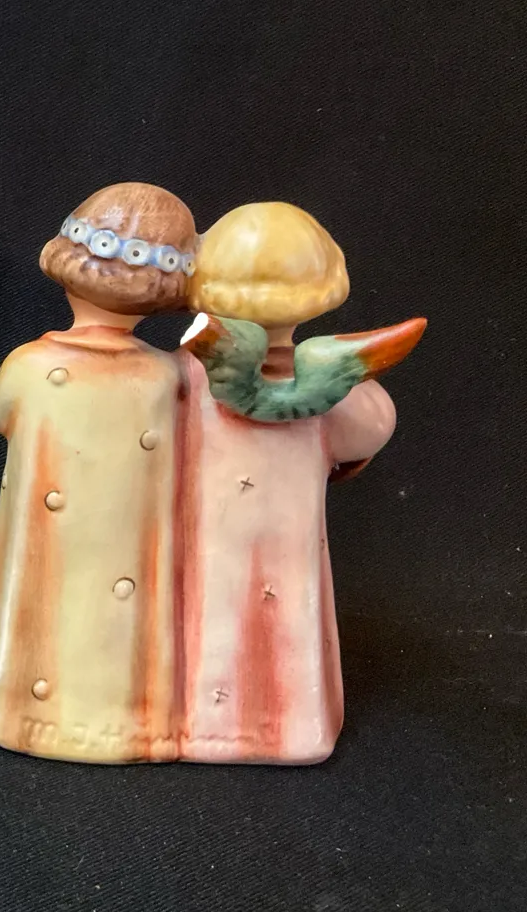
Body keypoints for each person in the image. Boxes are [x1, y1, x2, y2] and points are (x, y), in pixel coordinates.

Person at [0, 183, 198, 762]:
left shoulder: (30, 364)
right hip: (127, 543)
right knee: (119, 615)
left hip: (55, 539)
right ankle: (124, 720)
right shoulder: (167, 376)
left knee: (46, 605)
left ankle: (24, 709)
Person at [177, 202, 401, 763]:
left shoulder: (182, 379)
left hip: (210, 534)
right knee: (285, 616)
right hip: (285, 535)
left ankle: (207, 727)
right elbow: (367, 435)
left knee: (213, 612)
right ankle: (289, 728)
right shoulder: (337, 394)